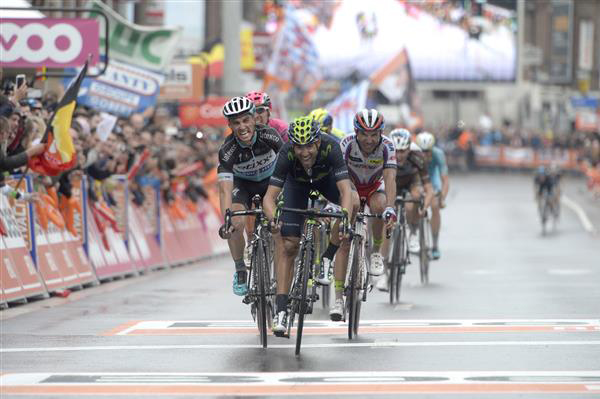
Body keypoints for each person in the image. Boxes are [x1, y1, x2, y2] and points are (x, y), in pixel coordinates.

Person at [263, 116, 357, 335]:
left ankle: (327, 256)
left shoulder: (331, 147)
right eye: (299, 147)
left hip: (326, 182)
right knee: (289, 246)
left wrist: (343, 218)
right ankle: (281, 311)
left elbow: (345, 191)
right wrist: (273, 218)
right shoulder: (287, 153)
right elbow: (269, 198)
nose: (304, 153)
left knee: (354, 201)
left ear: (317, 143)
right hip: (296, 186)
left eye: (308, 147)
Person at [217, 96, 284, 296]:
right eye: (236, 122)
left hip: (270, 182)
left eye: (246, 120)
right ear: (229, 124)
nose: (242, 127)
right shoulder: (227, 150)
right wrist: (227, 218)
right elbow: (225, 190)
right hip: (242, 186)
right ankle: (240, 270)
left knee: (278, 225)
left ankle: (281, 274)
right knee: (235, 223)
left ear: (254, 119)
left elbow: (286, 166)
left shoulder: (270, 135)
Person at [336, 109, 397, 306]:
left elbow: (389, 178)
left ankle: (376, 251)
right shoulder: (346, 144)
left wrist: (390, 207)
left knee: (380, 205)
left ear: (381, 133)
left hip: (373, 187)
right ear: (356, 132)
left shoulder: (388, 146)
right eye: (364, 134)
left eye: (374, 134)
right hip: (351, 184)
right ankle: (338, 297)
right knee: (350, 207)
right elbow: (337, 176)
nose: (369, 140)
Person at [377, 128, 434, 291]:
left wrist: (425, 206)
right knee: (386, 225)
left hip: (410, 183)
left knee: (413, 199)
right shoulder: (383, 154)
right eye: (397, 151)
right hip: (390, 183)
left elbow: (428, 188)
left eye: (403, 151)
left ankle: (412, 232)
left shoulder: (418, 157)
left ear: (409, 149)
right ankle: (384, 273)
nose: (400, 155)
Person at [415, 132, 449, 260]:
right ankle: (413, 233)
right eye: (422, 151)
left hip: (433, 180)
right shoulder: (413, 153)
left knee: (435, 206)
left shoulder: (438, 154)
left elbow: (445, 180)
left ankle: (434, 244)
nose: (425, 155)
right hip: (418, 179)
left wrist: (442, 198)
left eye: (428, 151)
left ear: (432, 149)